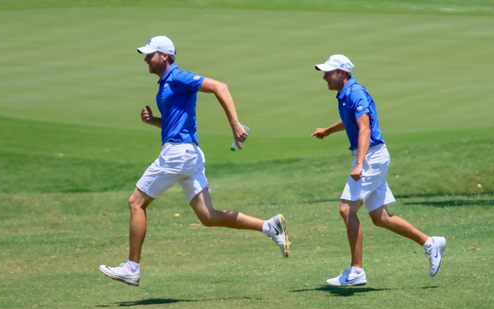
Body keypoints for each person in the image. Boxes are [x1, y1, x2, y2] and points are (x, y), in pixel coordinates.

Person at [100, 36, 291, 286]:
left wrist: (234, 123)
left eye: (150, 54)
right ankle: (270, 227)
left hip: (178, 154)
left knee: (136, 203)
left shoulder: (178, 77)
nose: (146, 58)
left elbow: (220, 86)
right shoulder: (166, 83)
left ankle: (132, 268)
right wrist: (154, 121)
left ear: (165, 56)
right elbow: (174, 124)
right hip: (189, 154)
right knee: (208, 216)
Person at [311, 54, 445, 286]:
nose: (325, 77)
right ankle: (430, 243)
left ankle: (356, 271)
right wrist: (327, 130)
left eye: (329, 72)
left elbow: (364, 129)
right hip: (369, 156)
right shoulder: (345, 95)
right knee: (380, 217)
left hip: (371, 156)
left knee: (346, 209)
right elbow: (349, 120)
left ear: (343, 73)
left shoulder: (355, 92)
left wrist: (360, 165)